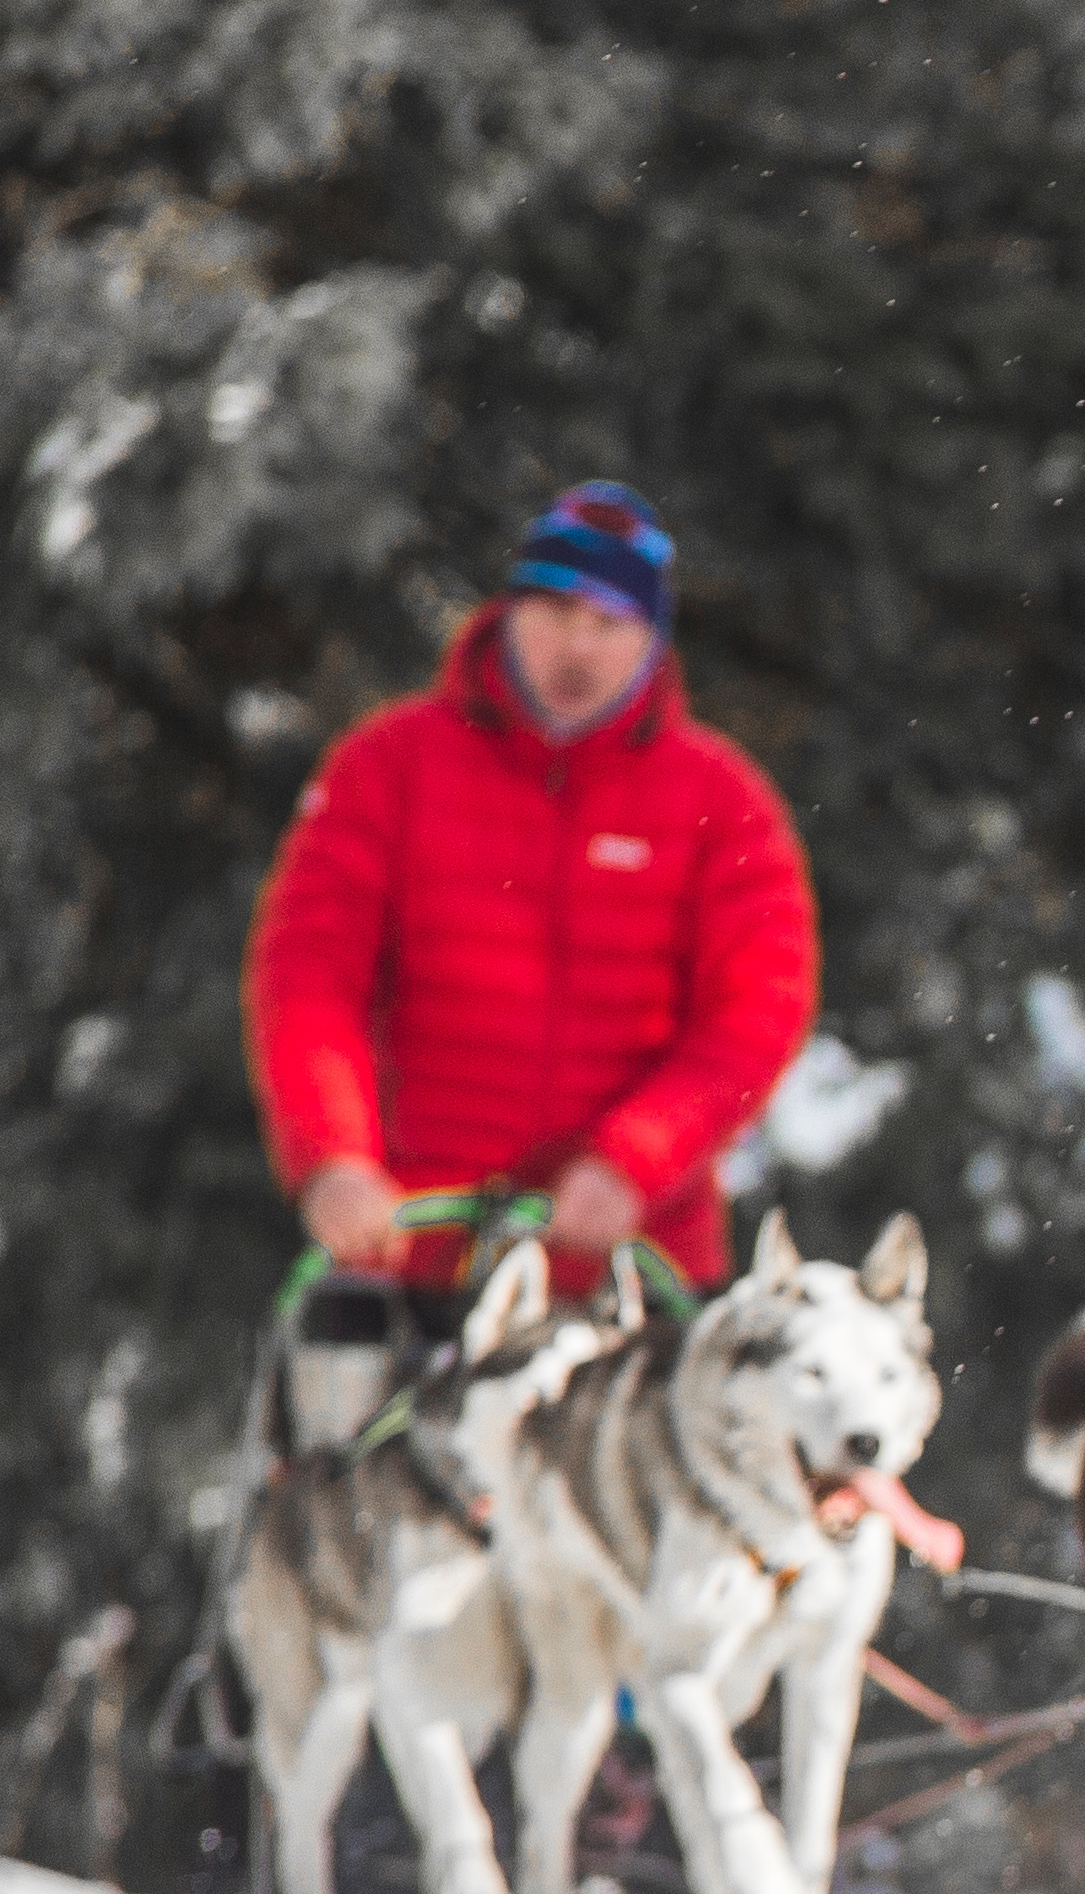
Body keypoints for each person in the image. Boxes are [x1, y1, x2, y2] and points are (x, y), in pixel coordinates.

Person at [245, 483, 817, 1308]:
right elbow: (308, 977)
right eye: (554, 610)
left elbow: (760, 1010)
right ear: (507, 611)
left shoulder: (724, 804)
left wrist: (637, 1160)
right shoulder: (386, 767)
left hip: (631, 1272)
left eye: (609, 623)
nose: (576, 648)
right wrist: (334, 1156)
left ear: (652, 642)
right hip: (412, 1254)